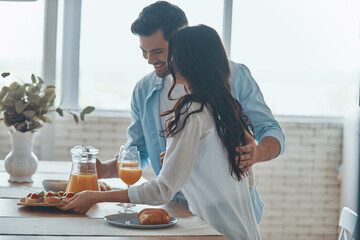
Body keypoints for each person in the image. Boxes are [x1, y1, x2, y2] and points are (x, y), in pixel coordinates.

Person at [61, 24, 261, 240]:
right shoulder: (226, 108)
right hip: (245, 232)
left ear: (185, 62)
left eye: (172, 55)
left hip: (215, 233)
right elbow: (246, 183)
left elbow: (162, 190)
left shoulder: (191, 111)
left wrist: (95, 197)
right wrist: (186, 163)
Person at [96, 1, 285, 223]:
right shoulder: (144, 90)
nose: (150, 60)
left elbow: (270, 130)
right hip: (175, 209)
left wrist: (257, 153)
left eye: (157, 51)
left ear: (181, 41)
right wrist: (105, 169)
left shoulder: (233, 76)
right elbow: (140, 149)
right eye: (144, 51)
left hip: (227, 212)